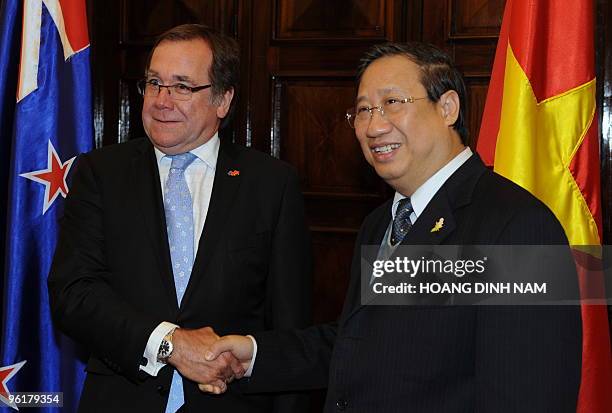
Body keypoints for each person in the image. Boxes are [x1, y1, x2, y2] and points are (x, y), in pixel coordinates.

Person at [201, 42, 582, 412]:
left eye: (392, 103)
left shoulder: (519, 226)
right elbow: (365, 341)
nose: (373, 126)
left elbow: (528, 395)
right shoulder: (380, 222)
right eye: (363, 110)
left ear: (447, 107)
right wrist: (253, 355)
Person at [48, 24, 311, 413]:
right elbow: (73, 293)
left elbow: (291, 330)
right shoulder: (101, 173)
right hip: (122, 400)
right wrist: (170, 343)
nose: (161, 100)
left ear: (222, 100)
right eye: (154, 83)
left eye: (183, 87)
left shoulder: (271, 184)